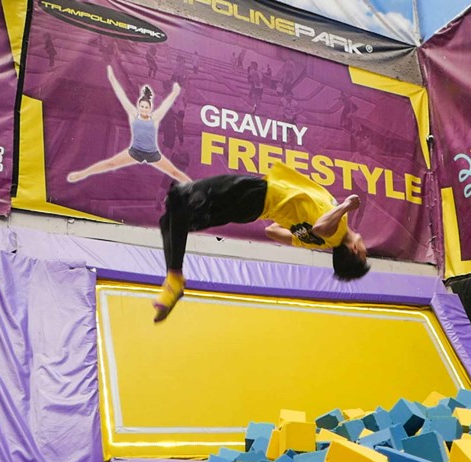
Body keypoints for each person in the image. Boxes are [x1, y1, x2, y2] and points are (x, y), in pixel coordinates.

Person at [153, 162, 370, 322]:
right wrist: (290, 213)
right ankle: (174, 279)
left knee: (180, 197)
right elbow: (272, 231)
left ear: (353, 250)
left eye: (364, 253)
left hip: (257, 194)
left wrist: (347, 205)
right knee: (171, 219)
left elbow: (319, 227)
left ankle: (175, 277)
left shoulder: (336, 228)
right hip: (254, 209)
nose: (365, 248)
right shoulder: (318, 243)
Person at [67, 65, 191, 183]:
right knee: (110, 163)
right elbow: (122, 96)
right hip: (134, 152)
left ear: (150, 108)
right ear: (138, 106)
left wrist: (174, 93)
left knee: (173, 172)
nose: (143, 109)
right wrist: (112, 78)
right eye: (141, 106)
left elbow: (166, 105)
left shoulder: (154, 117)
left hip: (152, 153)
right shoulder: (134, 115)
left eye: (146, 107)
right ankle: (82, 174)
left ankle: (194, 185)